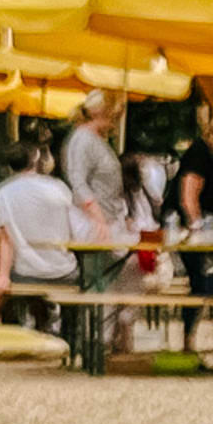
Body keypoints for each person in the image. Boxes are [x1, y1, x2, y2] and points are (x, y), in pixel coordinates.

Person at [168, 109, 213, 359]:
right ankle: (190, 339)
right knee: (200, 281)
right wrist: (196, 226)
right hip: (193, 230)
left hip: (209, 228)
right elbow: (188, 193)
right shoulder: (200, 152)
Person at [0, 140, 77, 322]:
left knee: (15, 294)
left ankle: (26, 330)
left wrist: (3, 275)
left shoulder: (1, 194)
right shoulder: (59, 188)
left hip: (26, 273)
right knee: (79, 279)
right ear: (36, 159)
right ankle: (65, 332)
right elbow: (75, 229)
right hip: (63, 272)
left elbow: (5, 241)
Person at [62, 89, 128, 290]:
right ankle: (95, 320)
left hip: (110, 222)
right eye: (115, 115)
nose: (117, 121)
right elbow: (78, 182)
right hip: (95, 226)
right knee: (97, 286)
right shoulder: (82, 140)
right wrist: (98, 218)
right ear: (104, 113)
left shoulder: (97, 140)